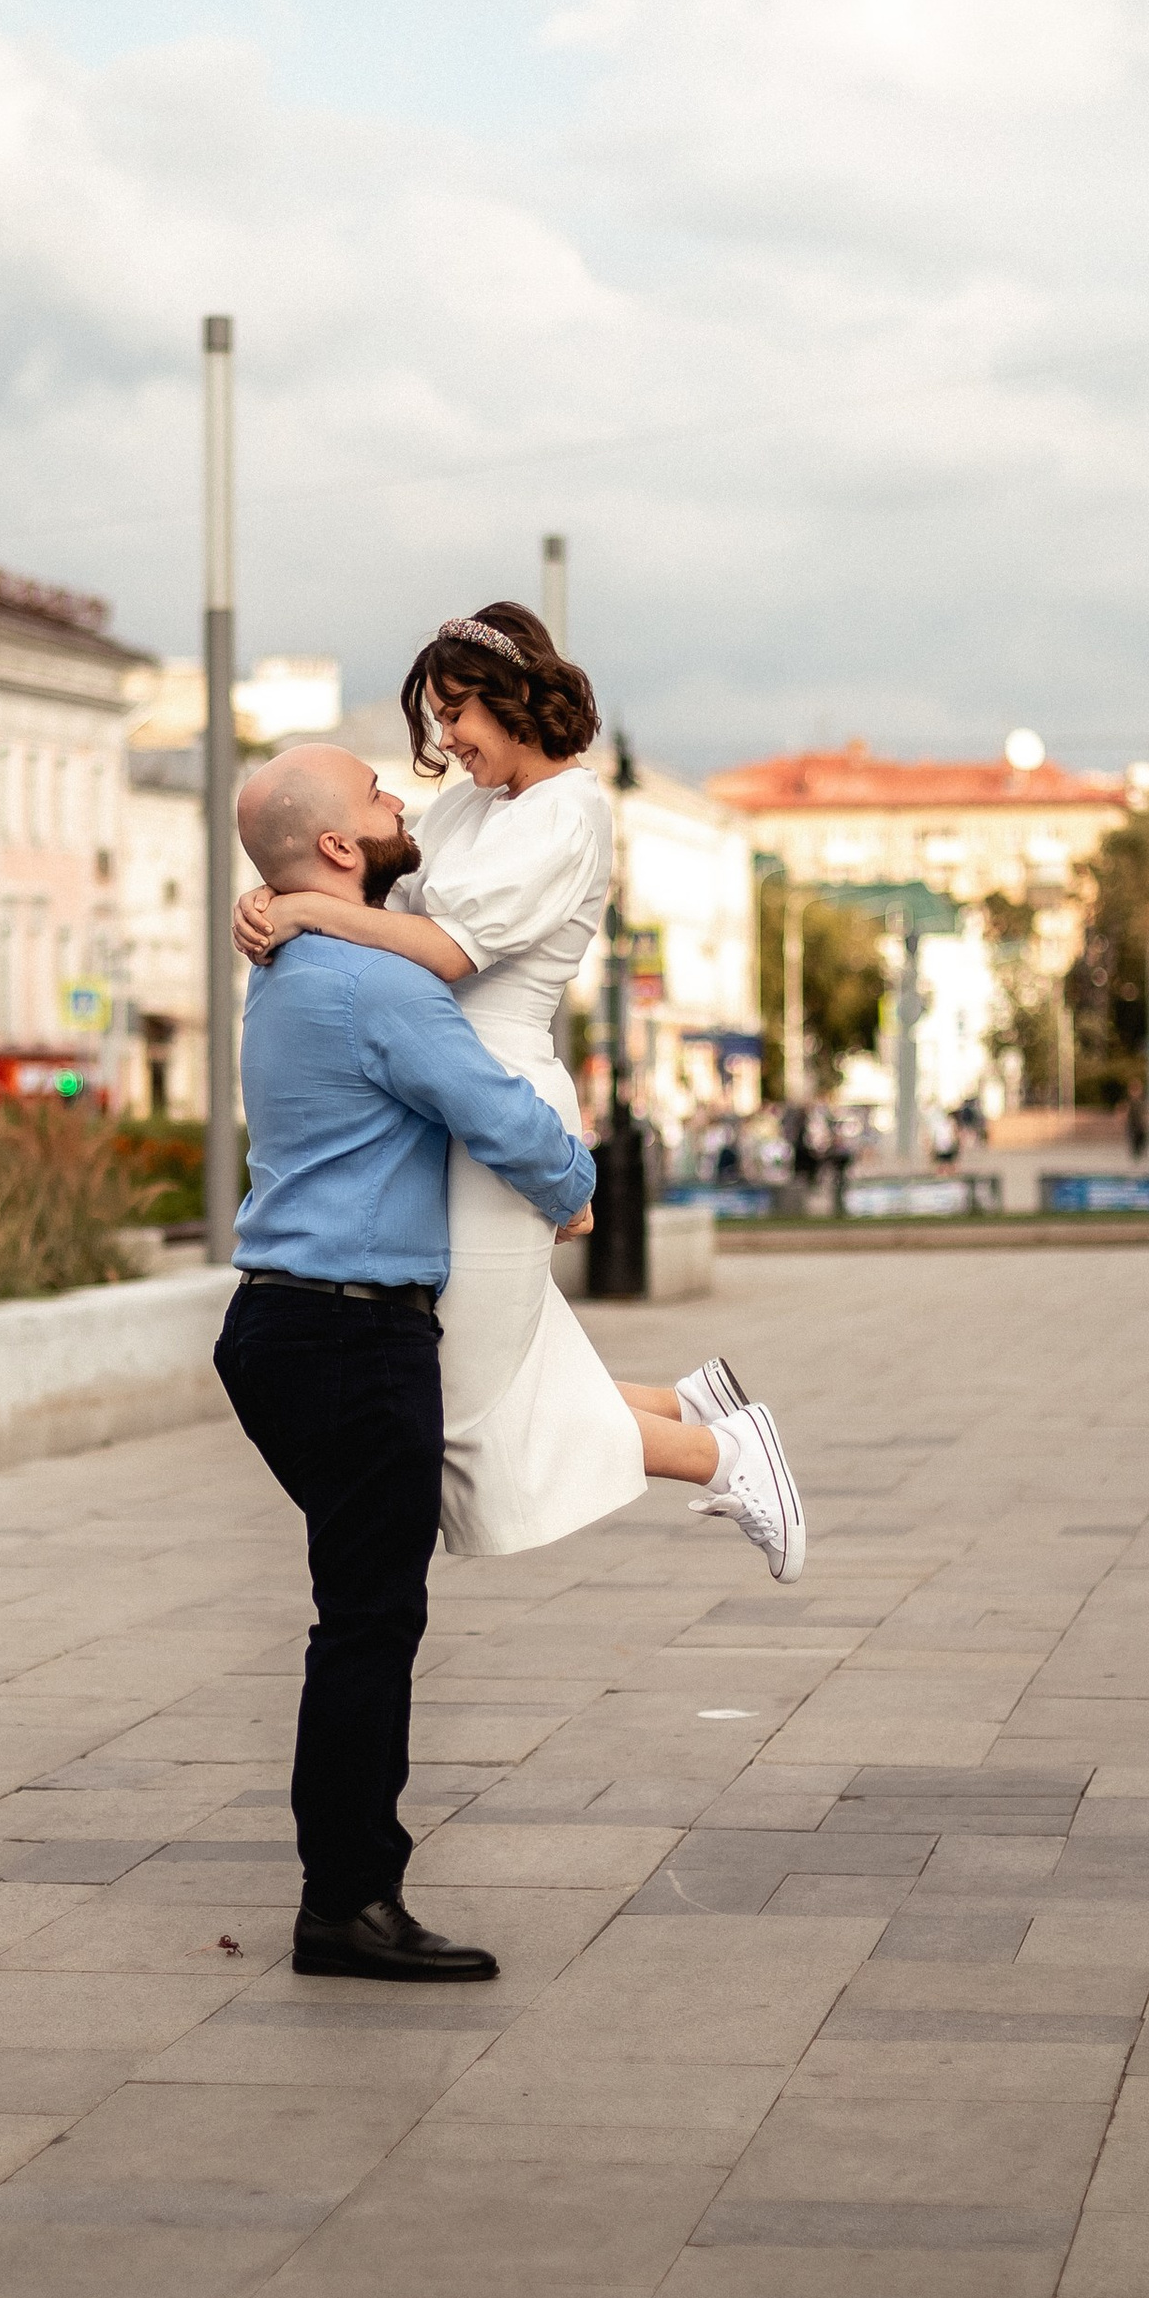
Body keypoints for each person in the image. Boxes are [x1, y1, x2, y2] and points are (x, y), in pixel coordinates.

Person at [236, 604, 804, 1580]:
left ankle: (723, 1453)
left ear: (515, 703)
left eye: (456, 712)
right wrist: (278, 893)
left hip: (495, 1083)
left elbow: (445, 949)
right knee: (477, 1358)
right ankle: (690, 1408)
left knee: (456, 1393)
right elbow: (375, 897)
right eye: (436, 716)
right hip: (439, 1089)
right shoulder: (472, 805)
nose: (444, 739)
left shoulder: (567, 812)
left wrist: (297, 909)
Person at [216, 741, 600, 1986]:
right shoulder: (373, 987)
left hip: (280, 1328)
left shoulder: (288, 968)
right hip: (350, 1333)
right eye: (380, 797)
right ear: (337, 848)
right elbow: (492, 1113)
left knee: (359, 1612)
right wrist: (575, 1185)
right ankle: (347, 1902)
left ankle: (350, 1884)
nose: (401, 804)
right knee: (368, 1623)